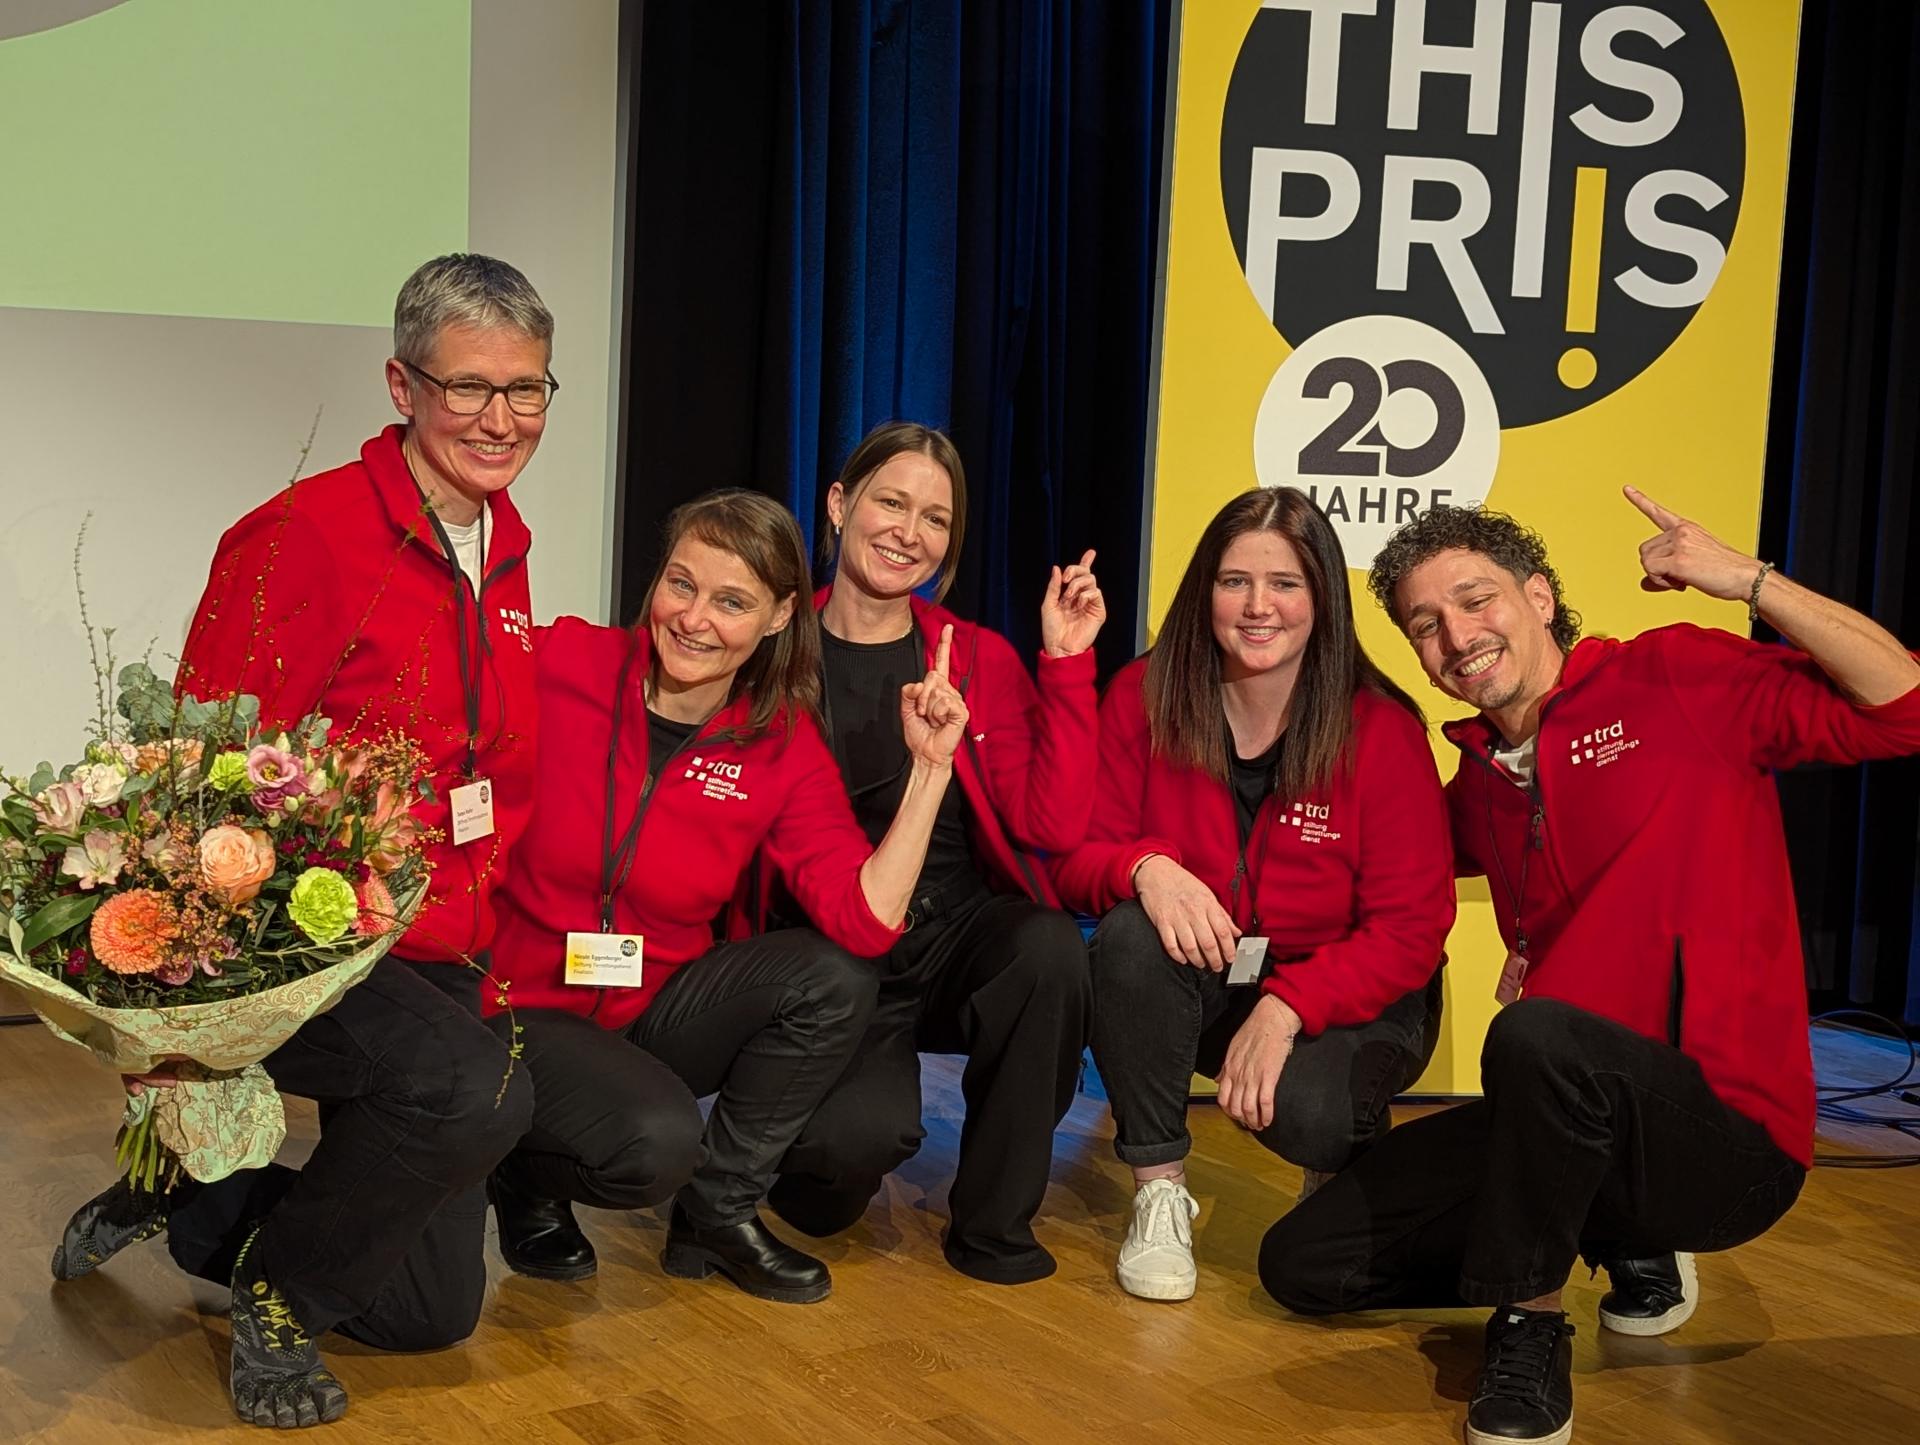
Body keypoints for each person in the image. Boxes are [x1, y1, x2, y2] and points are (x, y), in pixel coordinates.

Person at [1261, 491, 1920, 1445]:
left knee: (1537, 1031)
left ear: (1538, 595)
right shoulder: (1477, 782)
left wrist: (1749, 580)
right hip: (1567, 1115)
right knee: (1305, 1264)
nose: (1457, 635)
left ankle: (1529, 1327)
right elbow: (1359, 873)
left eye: (1477, 600)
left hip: (1728, 1135)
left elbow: (1902, 705)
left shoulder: (1677, 677)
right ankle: (1605, 1234)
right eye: (1425, 625)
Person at [49, 254, 551, 1428]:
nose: (501, 418)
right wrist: (169, 1022)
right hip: (315, 948)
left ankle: (191, 1199)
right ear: (401, 384)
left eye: (526, 389)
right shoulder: (299, 535)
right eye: (468, 386)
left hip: (444, 950)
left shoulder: (505, 544)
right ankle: (276, 1292)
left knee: (430, 1314)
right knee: (482, 1090)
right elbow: (198, 778)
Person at [483, 488, 971, 1304]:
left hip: (646, 1011)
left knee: (834, 975)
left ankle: (718, 1212)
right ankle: (528, 1175)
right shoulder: (565, 661)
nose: (695, 618)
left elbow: (868, 919)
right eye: (682, 584)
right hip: (514, 1003)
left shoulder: (779, 744)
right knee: (655, 1139)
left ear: (781, 615)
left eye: (732, 601)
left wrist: (930, 770)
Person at [1054, 486, 1452, 1302]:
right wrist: (1145, 868)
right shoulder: (1144, 694)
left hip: (1353, 990)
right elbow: (1075, 856)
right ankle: (1160, 1188)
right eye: (1235, 581)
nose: (1257, 605)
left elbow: (1411, 928)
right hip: (1214, 975)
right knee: (1130, 935)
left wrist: (1288, 1006)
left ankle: (1337, 1169)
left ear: (1323, 597)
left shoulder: (1380, 729)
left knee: (1313, 1114)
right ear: (1205, 591)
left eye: (1286, 583)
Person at [746, 422, 1103, 1285]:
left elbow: (1050, 823)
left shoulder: (974, 655)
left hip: (948, 934)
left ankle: (992, 1226)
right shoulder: (769, 651)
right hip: (828, 948)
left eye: (936, 519)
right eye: (892, 502)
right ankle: (796, 1157)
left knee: (1048, 946)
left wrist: (1064, 665)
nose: (910, 532)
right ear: (839, 505)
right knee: (837, 1173)